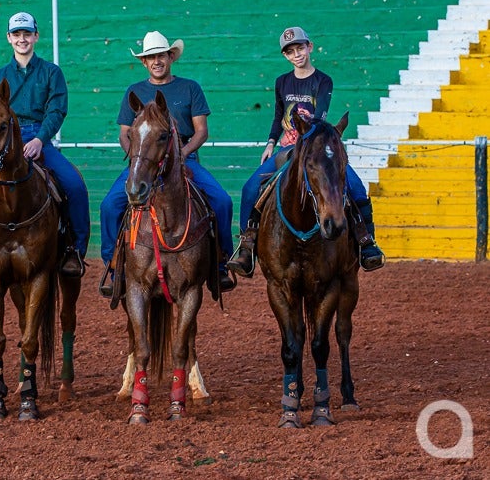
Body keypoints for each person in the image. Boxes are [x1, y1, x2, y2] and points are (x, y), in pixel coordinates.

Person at [227, 26, 386, 277]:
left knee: (356, 188)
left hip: (314, 148)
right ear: (285, 55)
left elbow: (319, 116)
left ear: (309, 47)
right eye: (290, 51)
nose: (297, 54)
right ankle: (246, 247)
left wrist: (309, 139)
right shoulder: (282, 82)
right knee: (249, 189)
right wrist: (270, 143)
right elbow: (278, 116)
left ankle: (367, 243)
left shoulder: (323, 81)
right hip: (287, 149)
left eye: (300, 48)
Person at [0, 11, 90, 288]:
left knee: (74, 185)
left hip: (39, 137)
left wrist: (39, 139)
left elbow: (56, 110)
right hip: (4, 141)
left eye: (27, 33)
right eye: (17, 34)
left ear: (36, 36)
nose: (22, 39)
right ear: (9, 38)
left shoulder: (51, 72)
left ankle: (74, 251)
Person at [99, 31, 236, 294]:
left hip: (183, 158)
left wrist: (182, 154)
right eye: (151, 57)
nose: (157, 61)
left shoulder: (190, 88)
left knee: (222, 201)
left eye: (161, 55)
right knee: (109, 205)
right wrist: (136, 160)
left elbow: (201, 131)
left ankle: (220, 263)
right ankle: (113, 267)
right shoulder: (134, 92)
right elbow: (124, 133)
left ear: (171, 57)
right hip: (144, 161)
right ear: (144, 62)